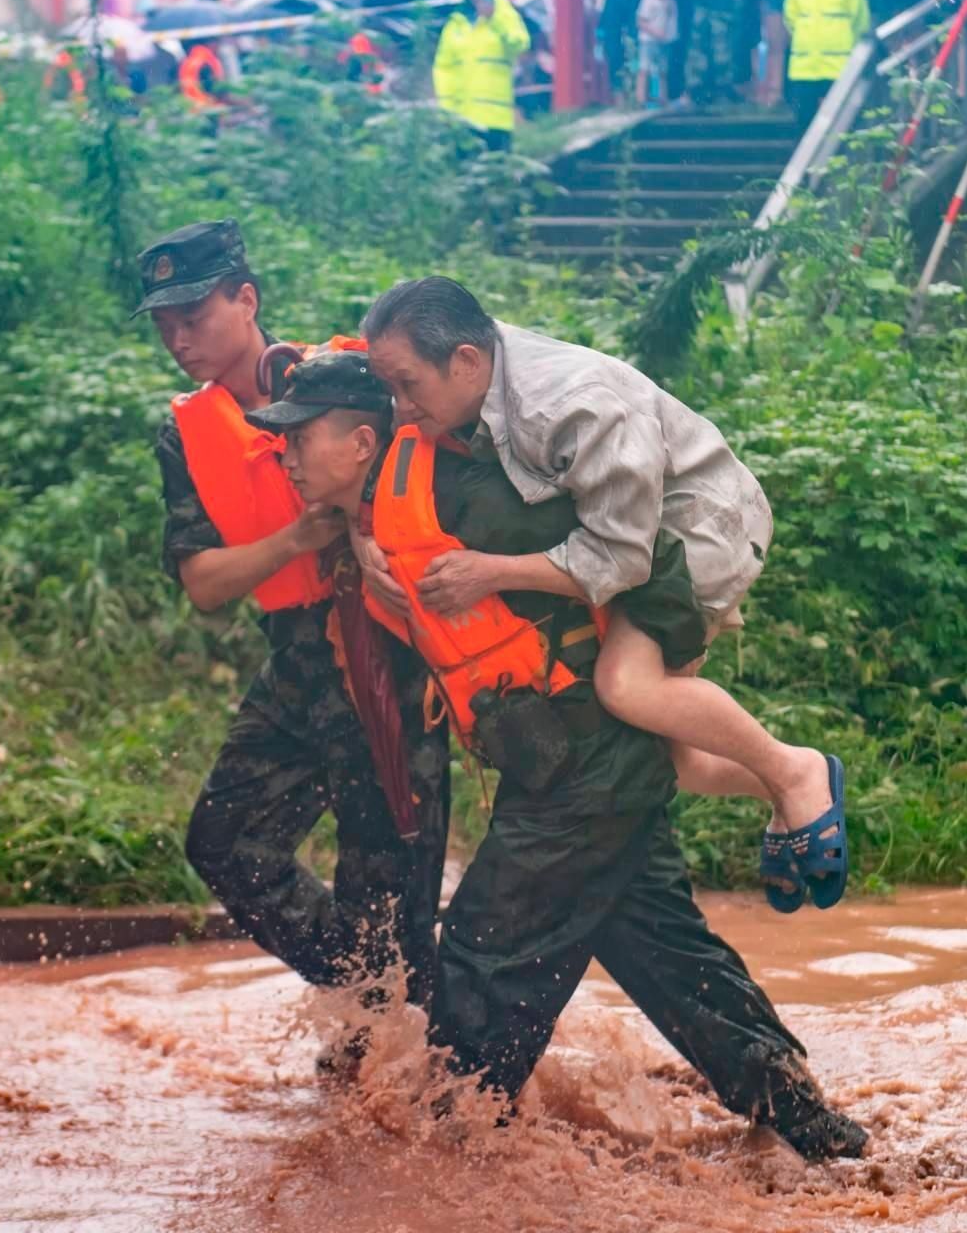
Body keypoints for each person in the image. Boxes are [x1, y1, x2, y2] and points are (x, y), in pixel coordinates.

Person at [261, 349, 868, 1162]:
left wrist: (675, 644)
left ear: (363, 444)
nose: (286, 454)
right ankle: (812, 1130)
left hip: (584, 754)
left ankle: (446, 1161)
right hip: (562, 757)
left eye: (301, 438)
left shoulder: (465, 492)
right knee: (659, 947)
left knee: (484, 949)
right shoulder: (382, 517)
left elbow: (636, 553)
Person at [360, 278, 849, 911]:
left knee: (628, 687)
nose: (397, 406)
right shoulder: (469, 365)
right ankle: (788, 785)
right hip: (638, 540)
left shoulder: (573, 406)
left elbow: (622, 557)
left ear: (465, 362)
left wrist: (489, 571)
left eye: (407, 386)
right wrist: (361, 535)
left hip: (697, 532)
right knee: (683, 762)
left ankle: (797, 772)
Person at [134, 219, 449, 1023]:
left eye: (193, 316)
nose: (179, 339)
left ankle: (428, 1059)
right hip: (296, 665)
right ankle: (369, 999)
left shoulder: (345, 380)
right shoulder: (185, 430)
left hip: (383, 659)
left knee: (389, 885)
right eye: (165, 323)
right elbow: (205, 583)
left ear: (246, 299)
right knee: (223, 845)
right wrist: (302, 536)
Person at [783, 0, 871, 135]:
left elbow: (860, 20)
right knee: (803, 123)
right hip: (804, 65)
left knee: (842, 122)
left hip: (838, 64)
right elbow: (790, 17)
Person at [432, 0, 530, 150]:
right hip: (463, 117)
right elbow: (444, 68)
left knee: (497, 169)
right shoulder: (456, 24)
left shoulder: (503, 12)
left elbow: (519, 43)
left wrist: (494, 19)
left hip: (496, 117)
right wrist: (447, 108)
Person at [635, 0, 676, 107]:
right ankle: (641, 99)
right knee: (644, 69)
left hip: (664, 41)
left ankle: (663, 99)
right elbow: (641, 21)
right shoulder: (648, 0)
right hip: (648, 40)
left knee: (663, 70)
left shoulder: (670, 1)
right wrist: (654, 32)